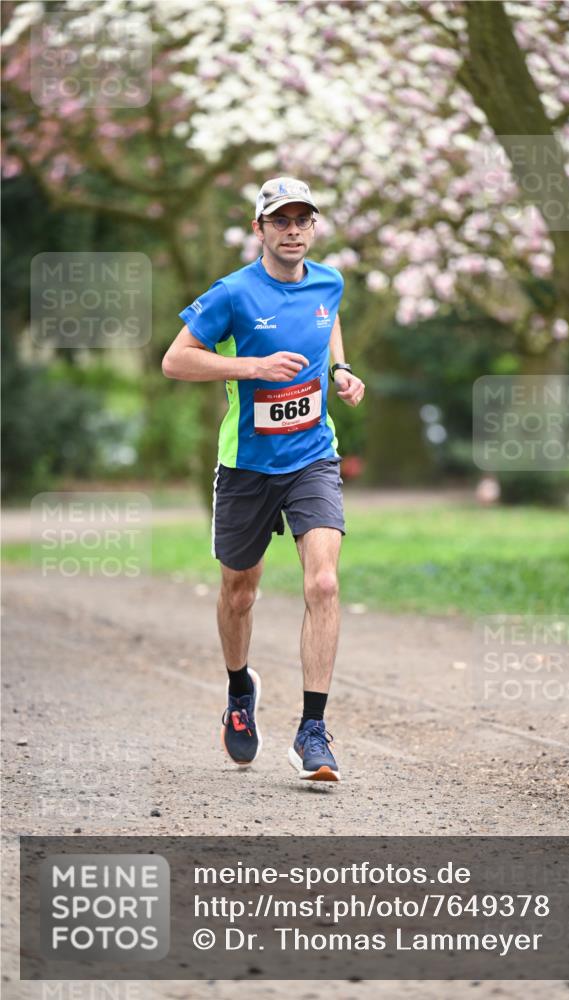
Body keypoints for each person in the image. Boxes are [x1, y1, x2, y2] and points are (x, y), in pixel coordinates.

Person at [162, 176, 365, 783]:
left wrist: (342, 369)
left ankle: (312, 731)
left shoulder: (330, 281)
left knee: (324, 583)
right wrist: (250, 365)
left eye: (303, 219)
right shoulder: (233, 293)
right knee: (240, 592)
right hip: (247, 465)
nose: (294, 229)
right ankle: (238, 691)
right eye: (281, 220)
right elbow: (175, 360)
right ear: (260, 229)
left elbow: (327, 320)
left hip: (312, 457)